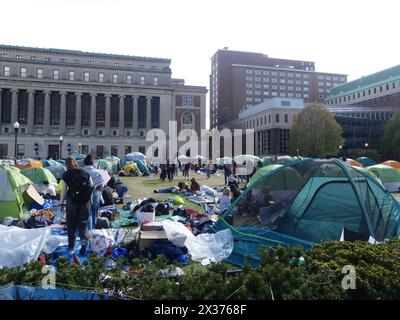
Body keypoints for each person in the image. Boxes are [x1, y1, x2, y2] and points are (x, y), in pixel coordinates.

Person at [59, 157, 93, 256]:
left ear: (66, 165)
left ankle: (71, 246)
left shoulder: (66, 174)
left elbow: (63, 190)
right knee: (83, 223)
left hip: (72, 202)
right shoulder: (85, 172)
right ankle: (83, 241)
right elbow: (91, 186)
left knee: (71, 224)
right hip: (85, 202)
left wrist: (61, 203)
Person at [83, 154, 105, 230]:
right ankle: (93, 228)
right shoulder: (97, 172)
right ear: (92, 163)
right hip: (96, 193)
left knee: (86, 213)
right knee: (94, 212)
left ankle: (87, 229)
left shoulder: (82, 171)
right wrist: (100, 195)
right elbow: (101, 185)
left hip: (85, 194)